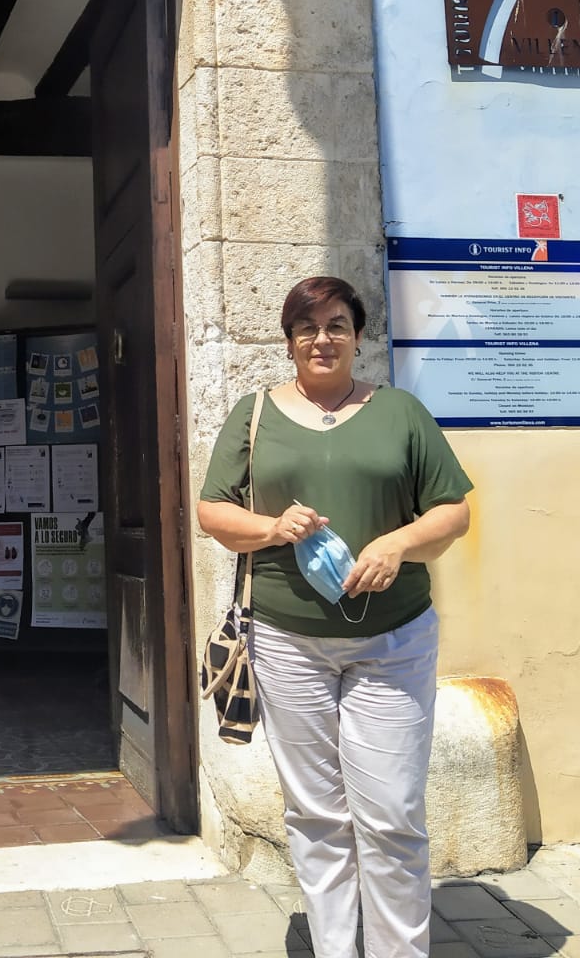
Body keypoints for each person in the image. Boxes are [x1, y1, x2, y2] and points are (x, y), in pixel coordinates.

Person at [196, 275, 472, 958]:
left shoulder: (401, 412)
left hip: (393, 640)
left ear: (358, 335)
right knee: (317, 815)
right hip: (287, 641)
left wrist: (397, 543)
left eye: (337, 325)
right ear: (290, 340)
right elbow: (213, 511)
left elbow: (453, 512)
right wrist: (272, 527)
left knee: (392, 814)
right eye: (307, 328)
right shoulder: (254, 413)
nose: (322, 339)